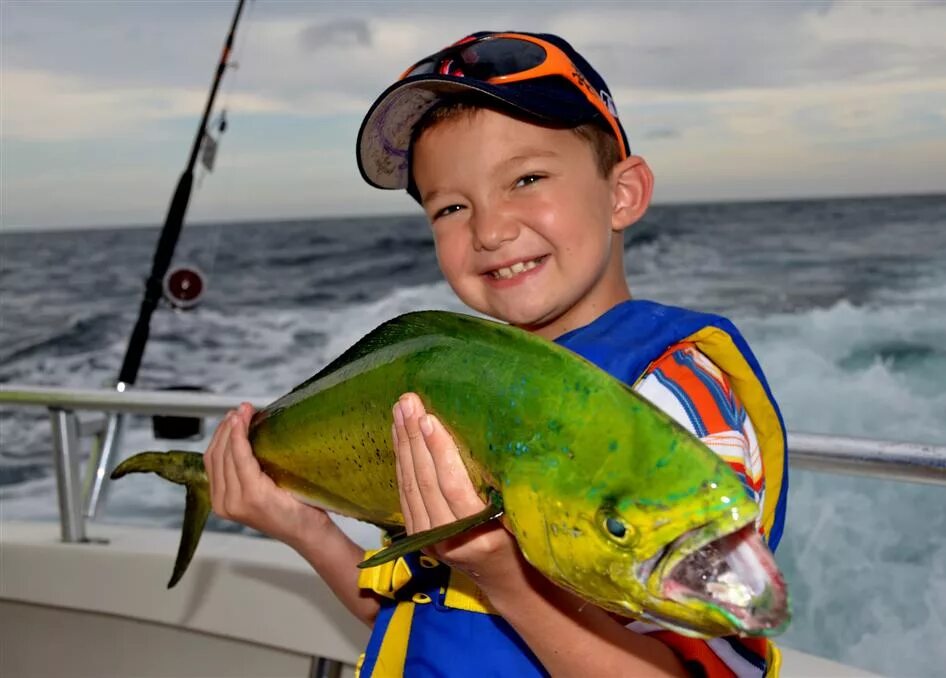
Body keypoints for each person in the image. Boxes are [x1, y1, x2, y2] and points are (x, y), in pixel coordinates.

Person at [204, 31, 788, 677]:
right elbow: (416, 617)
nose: (489, 230)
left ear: (623, 192)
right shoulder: (466, 405)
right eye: (452, 207)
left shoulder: (674, 408)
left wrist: (504, 578)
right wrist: (300, 526)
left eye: (527, 178)